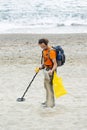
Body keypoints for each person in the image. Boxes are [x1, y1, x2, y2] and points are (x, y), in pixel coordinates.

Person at [36, 38, 57, 108]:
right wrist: (41, 67)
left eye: (43, 46)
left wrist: (52, 70)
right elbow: (45, 61)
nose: (42, 47)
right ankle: (47, 101)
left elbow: (55, 64)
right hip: (46, 70)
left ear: (46, 44)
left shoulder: (51, 51)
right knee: (46, 87)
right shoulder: (44, 51)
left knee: (49, 87)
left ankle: (51, 103)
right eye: (41, 46)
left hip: (51, 71)